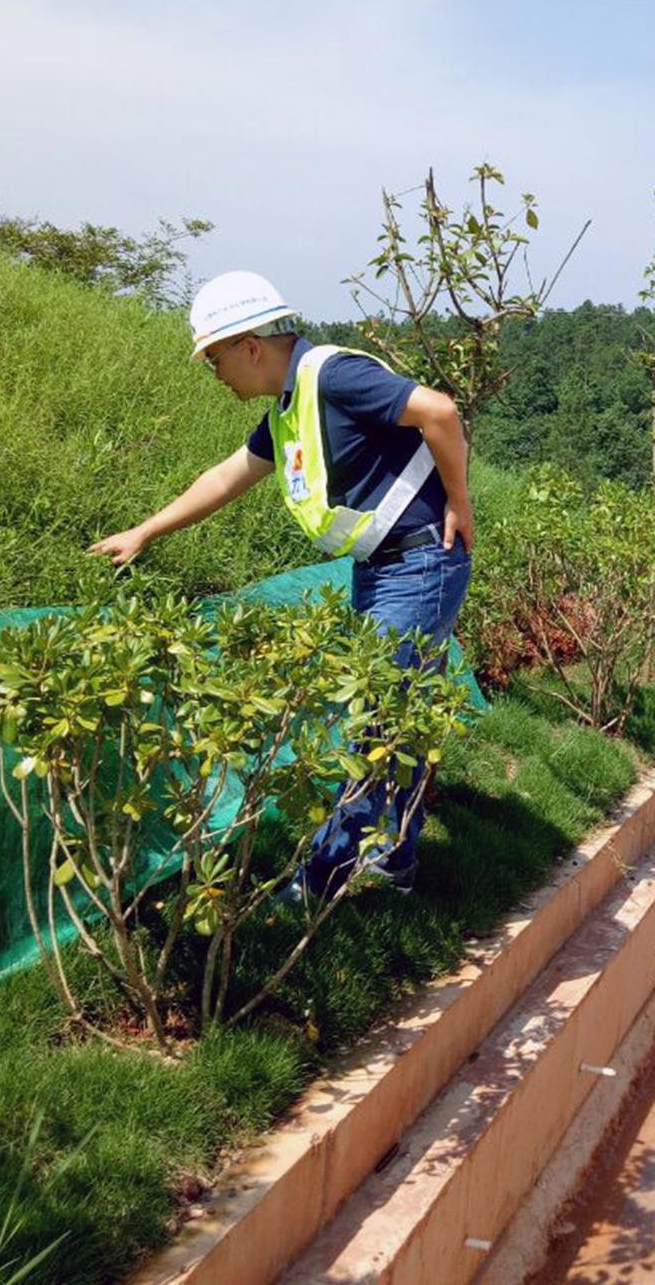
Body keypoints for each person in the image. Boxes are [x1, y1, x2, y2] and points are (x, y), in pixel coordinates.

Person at [90, 270, 474, 890]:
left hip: (420, 561)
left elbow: (440, 410)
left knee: (376, 718)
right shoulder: (290, 409)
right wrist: (145, 531)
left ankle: (322, 877)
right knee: (398, 714)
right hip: (384, 567)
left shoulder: (330, 375)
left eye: (215, 359)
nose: (216, 375)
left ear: (250, 346)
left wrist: (459, 502)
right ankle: (394, 857)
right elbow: (225, 478)